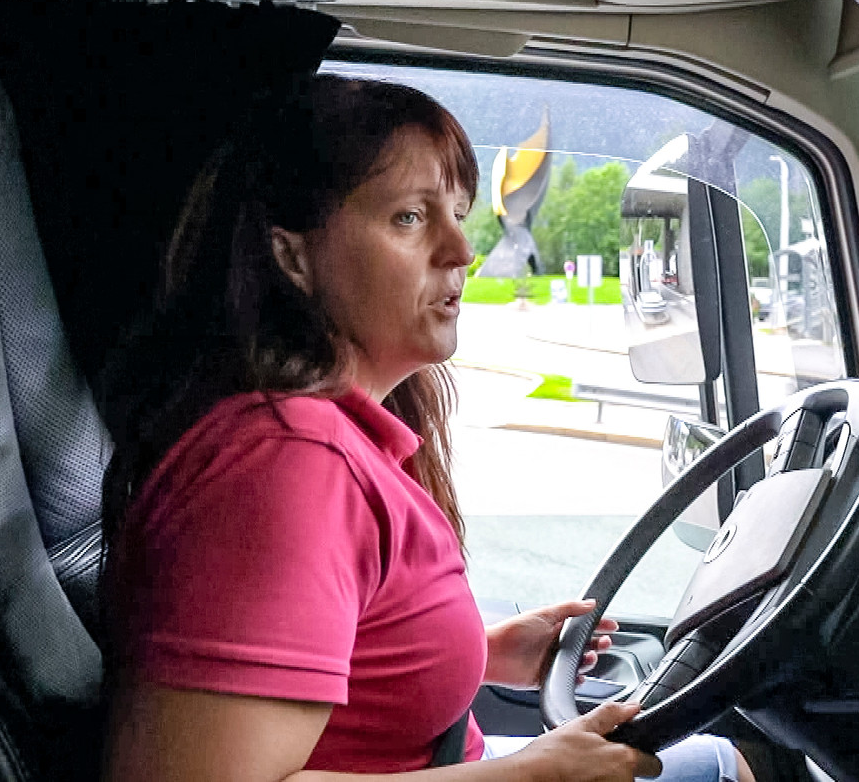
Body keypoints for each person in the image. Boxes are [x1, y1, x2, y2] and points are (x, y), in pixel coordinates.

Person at [98, 75, 752, 782]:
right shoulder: (288, 465)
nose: (461, 251)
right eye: (410, 217)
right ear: (294, 258)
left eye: (459, 214)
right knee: (727, 769)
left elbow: (341, 655)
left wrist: (480, 648)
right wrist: (535, 774)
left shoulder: (333, 440)